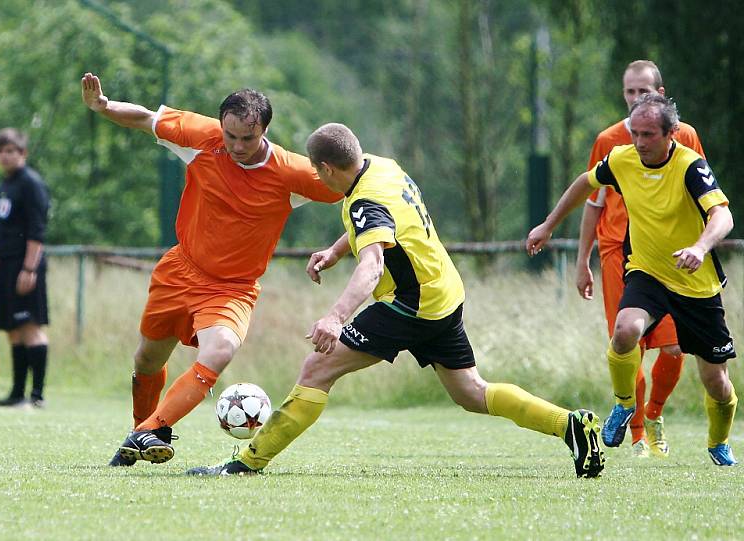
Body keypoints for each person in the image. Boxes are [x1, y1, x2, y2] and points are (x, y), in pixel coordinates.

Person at [187, 123, 605, 479]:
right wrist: (336, 251)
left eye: (319, 173)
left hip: (410, 304)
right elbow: (378, 226)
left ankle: (245, 464)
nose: (320, 179)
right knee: (471, 393)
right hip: (443, 294)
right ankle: (571, 425)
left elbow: (370, 266)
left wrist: (335, 317)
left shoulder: (365, 200)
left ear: (327, 168)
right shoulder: (380, 167)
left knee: (316, 369)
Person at [80, 73, 343, 466]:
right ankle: (142, 433)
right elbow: (145, 118)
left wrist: (340, 246)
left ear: (265, 130)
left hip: (232, 289)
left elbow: (355, 186)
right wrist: (104, 106)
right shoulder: (204, 139)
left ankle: (148, 431)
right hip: (179, 270)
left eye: (247, 139)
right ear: (221, 125)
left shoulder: (293, 173)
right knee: (146, 362)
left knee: (219, 350)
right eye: (230, 136)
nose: (236, 146)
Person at [528, 93, 737, 466]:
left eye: (648, 135)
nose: (639, 142)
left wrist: (701, 247)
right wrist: (547, 225)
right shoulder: (623, 159)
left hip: (695, 282)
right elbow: (585, 183)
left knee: (716, 384)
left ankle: (718, 441)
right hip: (647, 271)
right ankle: (625, 405)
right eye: (635, 133)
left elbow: (723, 216)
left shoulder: (691, 166)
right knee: (625, 332)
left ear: (671, 133)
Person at [576, 60, 706, 458]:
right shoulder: (610, 141)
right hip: (618, 252)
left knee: (673, 348)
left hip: (668, 253)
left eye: (643, 91)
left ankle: (654, 415)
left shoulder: (685, 137)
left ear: (661, 94)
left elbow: (703, 194)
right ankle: (634, 433)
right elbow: (592, 201)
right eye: (629, 92)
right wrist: (583, 260)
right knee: (626, 342)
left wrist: (702, 245)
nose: (635, 99)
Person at [0, 128, 51, 408]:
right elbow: (0, 232)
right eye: (1, 151)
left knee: (30, 327)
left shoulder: (31, 184)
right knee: (13, 329)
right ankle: (17, 394)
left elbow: (37, 231)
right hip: (6, 265)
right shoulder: (5, 185)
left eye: (11, 151)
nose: (5, 155)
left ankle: (36, 395)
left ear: (22, 153)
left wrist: (29, 269)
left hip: (25, 265)